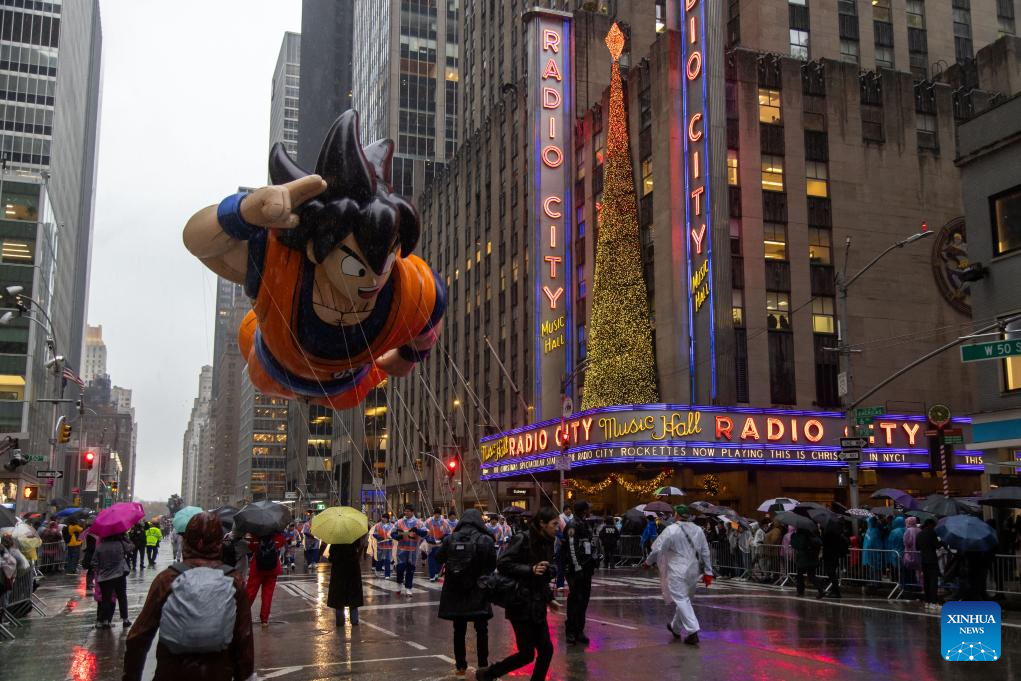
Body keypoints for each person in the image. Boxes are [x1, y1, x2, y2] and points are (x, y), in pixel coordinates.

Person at [123, 512, 254, 681]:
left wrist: (130, 676)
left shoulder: (167, 579)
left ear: (187, 540)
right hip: (218, 673)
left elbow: (138, 637)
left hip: (171, 673)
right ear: (219, 542)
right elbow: (244, 638)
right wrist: (245, 676)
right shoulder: (233, 581)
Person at [470, 507, 559, 681]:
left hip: (538, 603)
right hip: (520, 602)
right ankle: (488, 674)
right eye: (554, 524)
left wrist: (550, 598)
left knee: (546, 650)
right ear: (542, 524)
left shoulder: (549, 542)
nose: (557, 528)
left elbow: (541, 574)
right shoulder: (522, 538)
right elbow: (503, 564)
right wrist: (530, 569)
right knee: (527, 654)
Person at [436, 509, 496, 676]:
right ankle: (483, 665)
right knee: (482, 629)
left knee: (459, 629)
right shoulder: (485, 539)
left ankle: (461, 665)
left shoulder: (450, 539)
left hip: (455, 590)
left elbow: (438, 558)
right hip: (478, 590)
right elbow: (492, 564)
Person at [645, 505, 712, 646]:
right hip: (694, 570)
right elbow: (705, 551)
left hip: (677, 570)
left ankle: (693, 632)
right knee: (685, 600)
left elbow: (658, 549)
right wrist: (708, 572)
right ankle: (675, 628)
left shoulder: (671, 530)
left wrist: (647, 562)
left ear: (677, 515)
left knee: (681, 600)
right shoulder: (698, 530)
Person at [564, 500, 598, 645]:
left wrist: (595, 557)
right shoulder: (572, 525)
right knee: (575, 601)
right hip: (576, 569)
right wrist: (577, 567)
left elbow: (590, 544)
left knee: (584, 601)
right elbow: (572, 548)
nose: (589, 511)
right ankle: (571, 631)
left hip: (586, 568)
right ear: (583, 510)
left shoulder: (585, 524)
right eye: (587, 509)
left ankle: (579, 630)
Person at [95, 532, 133, 629]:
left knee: (105, 599)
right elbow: (131, 547)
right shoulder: (120, 544)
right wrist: (125, 539)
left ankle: (105, 621)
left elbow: (94, 561)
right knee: (122, 597)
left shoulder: (100, 547)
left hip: (104, 577)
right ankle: (125, 619)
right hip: (119, 575)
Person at [246, 531, 284, 626]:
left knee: (250, 593)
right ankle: (264, 620)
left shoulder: (255, 536)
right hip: (272, 567)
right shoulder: (277, 535)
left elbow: (251, 547)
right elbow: (281, 543)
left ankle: (242, 615)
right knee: (267, 595)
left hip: (257, 568)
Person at [327, 534, 366, 627]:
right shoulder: (355, 540)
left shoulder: (335, 542)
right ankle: (354, 621)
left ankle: (340, 622)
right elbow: (358, 555)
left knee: (339, 599)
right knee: (353, 599)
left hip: (339, 573)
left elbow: (331, 558)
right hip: (352, 572)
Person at [391, 505, 426, 596]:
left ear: (412, 512)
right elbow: (392, 533)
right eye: (405, 511)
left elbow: (425, 532)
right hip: (401, 550)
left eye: (407, 511)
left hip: (413, 551)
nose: (405, 513)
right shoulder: (399, 522)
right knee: (400, 569)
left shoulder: (418, 522)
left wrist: (417, 531)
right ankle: (399, 584)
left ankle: (408, 588)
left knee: (410, 570)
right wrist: (396, 536)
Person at [817, 518, 848, 599]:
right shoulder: (837, 533)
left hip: (829, 556)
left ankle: (836, 592)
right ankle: (834, 590)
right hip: (834, 555)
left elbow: (823, 542)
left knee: (831, 574)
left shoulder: (829, 534)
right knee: (832, 573)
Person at [916, 518, 941, 609]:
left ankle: (927, 601)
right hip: (932, 560)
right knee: (933, 581)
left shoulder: (919, 534)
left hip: (923, 560)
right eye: (933, 525)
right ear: (930, 525)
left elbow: (917, 547)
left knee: (926, 581)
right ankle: (933, 602)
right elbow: (937, 545)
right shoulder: (932, 533)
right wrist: (941, 542)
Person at [791, 525, 822, 597]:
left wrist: (794, 536)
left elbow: (796, 545)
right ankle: (821, 589)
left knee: (799, 576)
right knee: (811, 576)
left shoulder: (799, 536)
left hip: (803, 559)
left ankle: (800, 591)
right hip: (812, 558)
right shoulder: (812, 535)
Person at [425, 508, 452, 581]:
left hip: (440, 544)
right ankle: (432, 576)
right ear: (434, 514)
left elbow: (449, 532)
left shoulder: (444, 522)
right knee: (431, 559)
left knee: (439, 559)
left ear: (440, 514)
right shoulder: (428, 521)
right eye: (436, 513)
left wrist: (444, 537)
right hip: (431, 544)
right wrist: (428, 538)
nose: (437, 515)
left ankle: (437, 572)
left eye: (438, 514)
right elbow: (424, 531)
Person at [371, 513, 395, 578]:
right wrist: (379, 537)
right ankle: (378, 569)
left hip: (388, 546)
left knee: (388, 560)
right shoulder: (378, 525)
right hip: (380, 545)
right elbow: (374, 533)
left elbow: (394, 534)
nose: (383, 519)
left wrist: (392, 538)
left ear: (388, 519)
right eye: (382, 517)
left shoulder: (392, 526)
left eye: (384, 518)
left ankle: (387, 574)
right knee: (379, 559)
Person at [902, 516, 922, 588]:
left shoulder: (908, 530)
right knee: (918, 571)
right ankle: (918, 585)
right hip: (918, 554)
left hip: (909, 554)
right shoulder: (919, 530)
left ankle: (910, 586)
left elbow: (906, 542)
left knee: (909, 571)